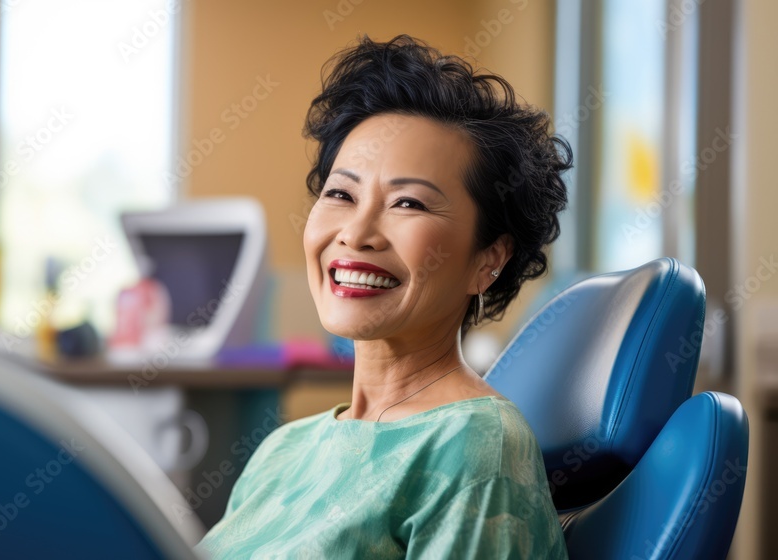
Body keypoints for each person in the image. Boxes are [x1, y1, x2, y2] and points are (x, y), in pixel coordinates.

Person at [196, 34, 571, 559]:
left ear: (490, 258)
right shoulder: (281, 451)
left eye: (408, 202)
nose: (356, 232)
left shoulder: (475, 446)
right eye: (340, 194)